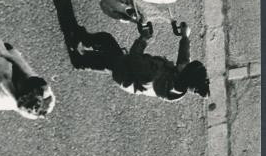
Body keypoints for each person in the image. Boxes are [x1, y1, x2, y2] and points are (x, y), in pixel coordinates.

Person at [69, 23, 209, 101]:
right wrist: (185, 37)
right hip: (131, 76)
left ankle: (79, 53)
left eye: (186, 67)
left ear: (183, 75)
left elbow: (134, 57)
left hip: (125, 71)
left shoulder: (154, 75)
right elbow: (183, 61)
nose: (185, 63)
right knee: (105, 62)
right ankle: (82, 56)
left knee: (106, 41)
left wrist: (143, 38)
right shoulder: (180, 85)